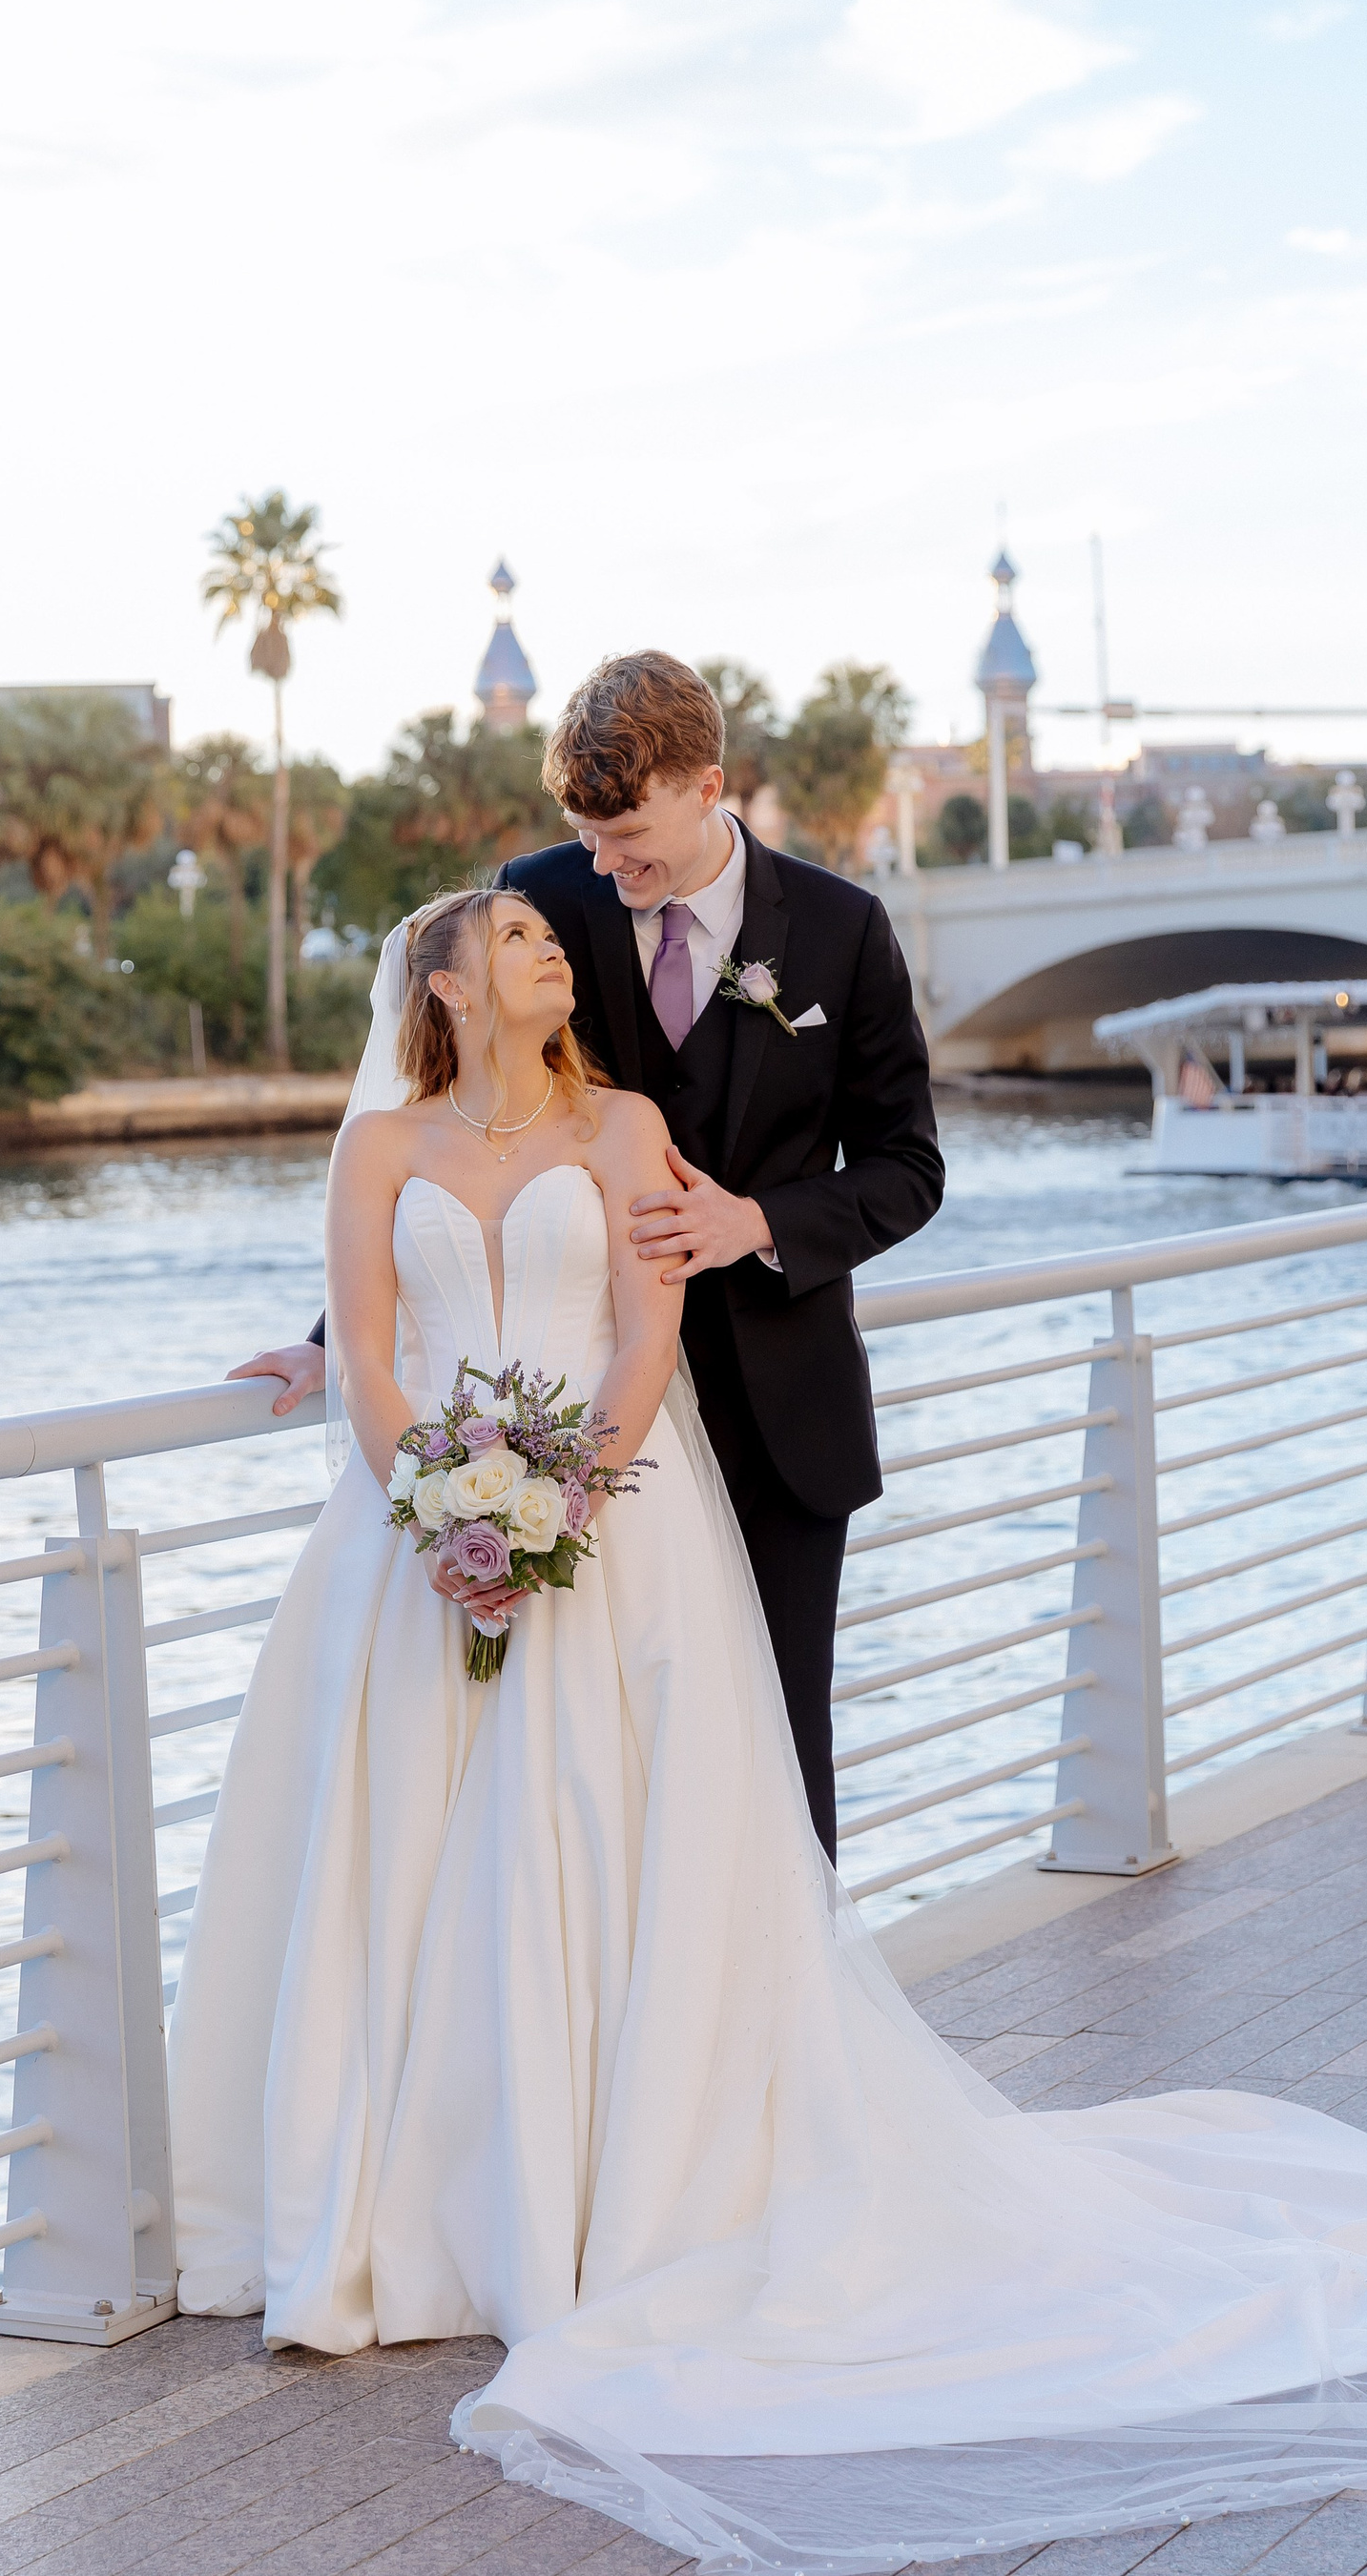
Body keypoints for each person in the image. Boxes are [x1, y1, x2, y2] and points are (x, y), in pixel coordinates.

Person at [172, 882, 1367, 2573]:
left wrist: (554, 1512)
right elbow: (368, 1357)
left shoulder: (624, 1124)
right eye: (525, 944)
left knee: (602, 1836)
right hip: (411, 1548)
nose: (559, 946)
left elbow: (646, 1336)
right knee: (405, 1859)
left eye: (558, 937)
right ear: (448, 988)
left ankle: (585, 2207)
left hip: (606, 1529)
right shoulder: (377, 1148)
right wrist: (442, 1517)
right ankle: (403, 2215)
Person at [229, 649, 945, 1860]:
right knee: (585, 1763)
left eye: (629, 836)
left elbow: (908, 1167)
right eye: (588, 837)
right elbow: (459, 1123)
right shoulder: (540, 895)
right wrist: (330, 1343)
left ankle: (782, 1983)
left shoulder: (842, 929)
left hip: (778, 1413)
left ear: (707, 784)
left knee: (776, 1748)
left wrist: (758, 1223)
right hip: (569, 1411)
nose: (607, 867)